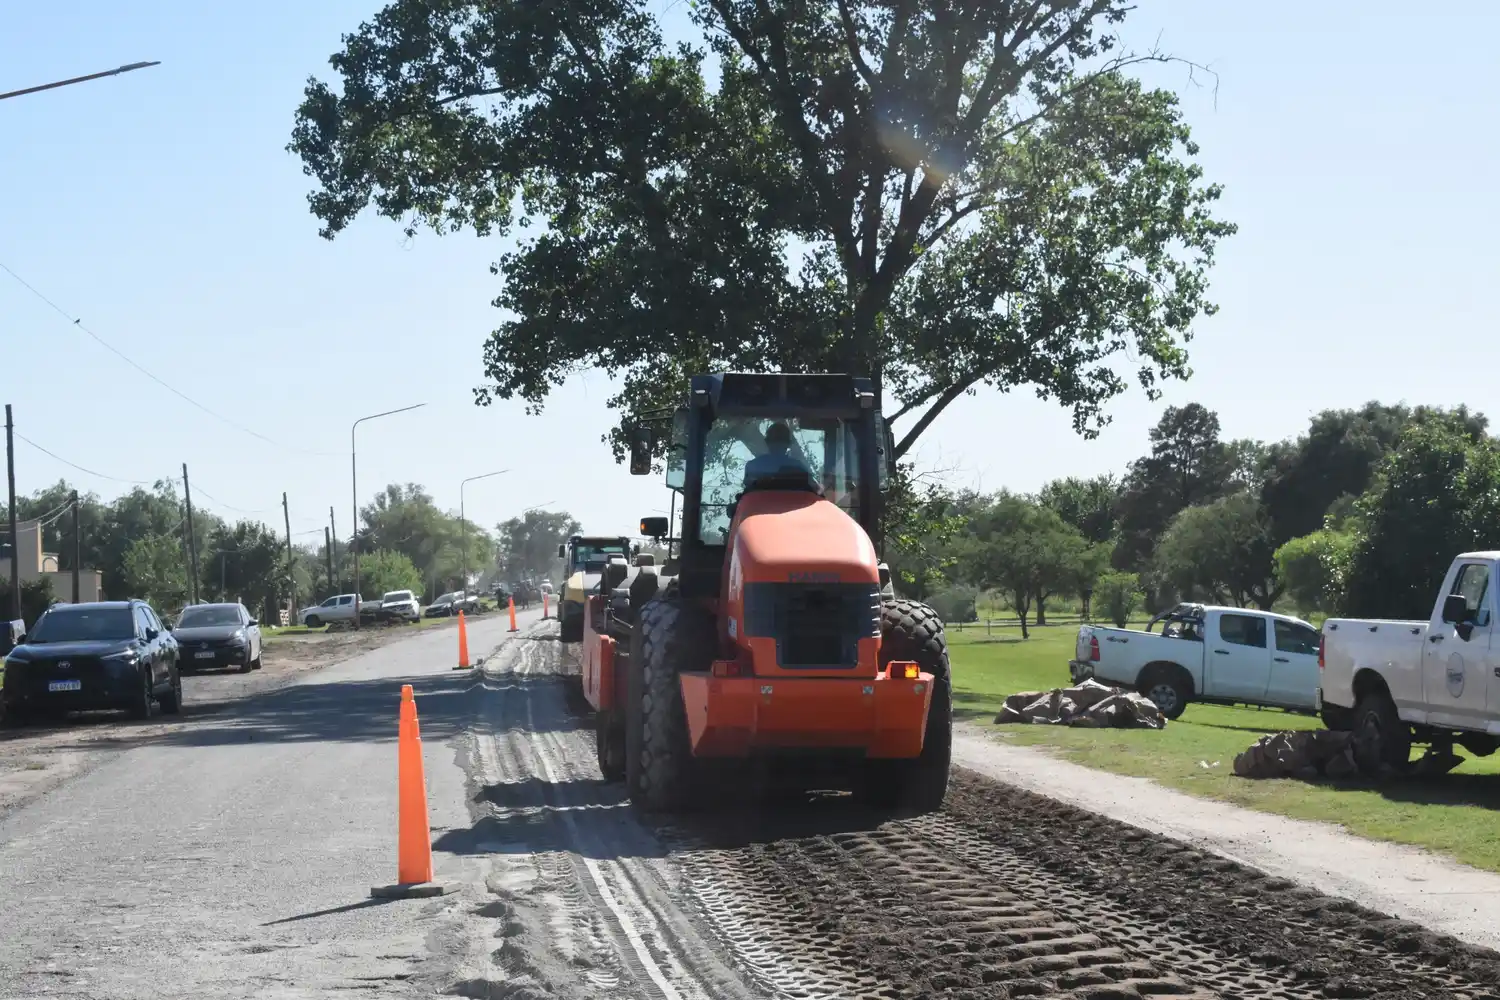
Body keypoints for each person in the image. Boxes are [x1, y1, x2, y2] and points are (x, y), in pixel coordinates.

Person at [742, 421, 813, 490]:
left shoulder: (752, 466)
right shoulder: (799, 467)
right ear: (788, 443)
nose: (777, 444)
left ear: (767, 442)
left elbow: (748, 493)